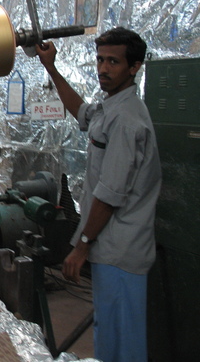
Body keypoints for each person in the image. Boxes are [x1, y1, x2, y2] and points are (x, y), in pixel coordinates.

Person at [35, 27, 161, 362]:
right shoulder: (110, 108)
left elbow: (110, 194)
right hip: (110, 249)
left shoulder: (126, 121)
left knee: (123, 343)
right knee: (108, 334)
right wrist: (51, 68)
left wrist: (81, 247)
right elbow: (79, 110)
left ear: (134, 67)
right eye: (100, 60)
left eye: (113, 62)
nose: (103, 68)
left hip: (121, 252)